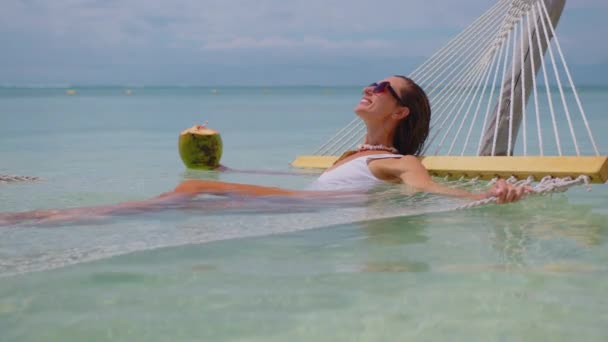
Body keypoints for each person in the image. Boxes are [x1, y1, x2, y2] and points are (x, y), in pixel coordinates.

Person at [0, 76, 529, 226]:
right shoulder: (353, 155)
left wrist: (491, 194)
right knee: (199, 186)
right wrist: (229, 168)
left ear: (400, 111)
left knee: (196, 189)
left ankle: (51, 219)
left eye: (381, 87)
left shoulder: (401, 162)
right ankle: (53, 217)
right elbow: (303, 177)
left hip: (306, 213)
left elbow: (432, 191)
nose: (368, 88)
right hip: (301, 203)